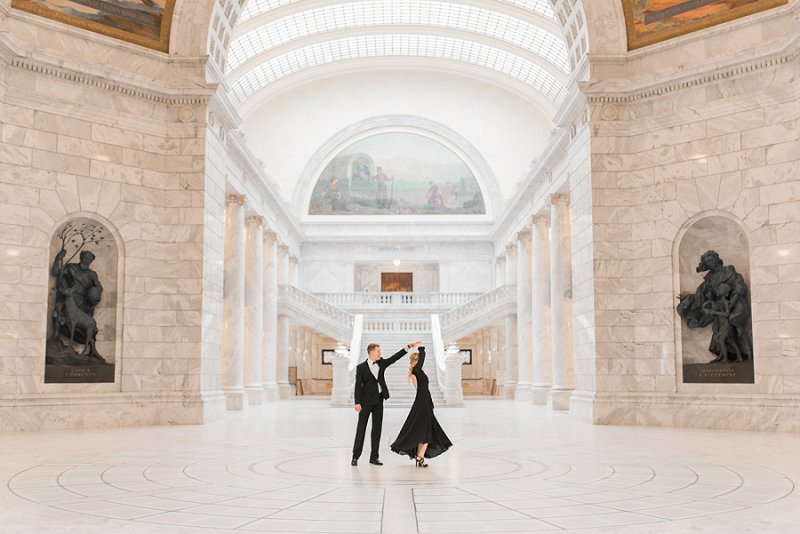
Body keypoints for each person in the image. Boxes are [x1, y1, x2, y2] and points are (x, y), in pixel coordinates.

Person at [352, 340, 421, 466]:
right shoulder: (361, 368)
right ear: (371, 352)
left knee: (377, 430)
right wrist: (357, 403)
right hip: (365, 403)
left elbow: (394, 358)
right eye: (378, 351)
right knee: (361, 429)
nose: (380, 353)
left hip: (379, 401)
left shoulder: (382, 363)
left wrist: (408, 347)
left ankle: (374, 457)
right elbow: (358, 386)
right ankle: (355, 456)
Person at [390, 346, 452, 467]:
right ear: (417, 361)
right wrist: (421, 349)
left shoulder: (418, 372)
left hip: (424, 402)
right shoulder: (416, 371)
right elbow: (421, 389)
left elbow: (422, 390)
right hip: (422, 403)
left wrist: (430, 402)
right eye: (420, 360)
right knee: (426, 431)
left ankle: (420, 457)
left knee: (424, 431)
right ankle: (420, 457)